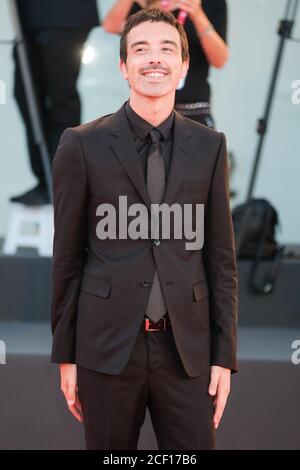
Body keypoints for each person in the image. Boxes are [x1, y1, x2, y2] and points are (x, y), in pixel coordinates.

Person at [51, 8, 238, 450]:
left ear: (184, 66)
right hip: (106, 349)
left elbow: (220, 258)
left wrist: (224, 357)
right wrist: (65, 355)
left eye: (166, 49)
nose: (154, 59)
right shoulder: (81, 145)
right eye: (141, 50)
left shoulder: (211, 146)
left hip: (188, 353)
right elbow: (68, 258)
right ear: (123, 66)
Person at [11, 0, 100, 206]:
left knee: (60, 98)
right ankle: (46, 179)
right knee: (26, 95)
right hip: (28, 17)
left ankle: (64, 182)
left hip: (64, 15)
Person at [103, 0, 228, 129]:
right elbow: (111, 26)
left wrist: (197, 14)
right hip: (146, 110)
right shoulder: (146, 3)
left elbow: (220, 60)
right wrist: (154, 8)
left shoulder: (211, 3)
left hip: (194, 108)